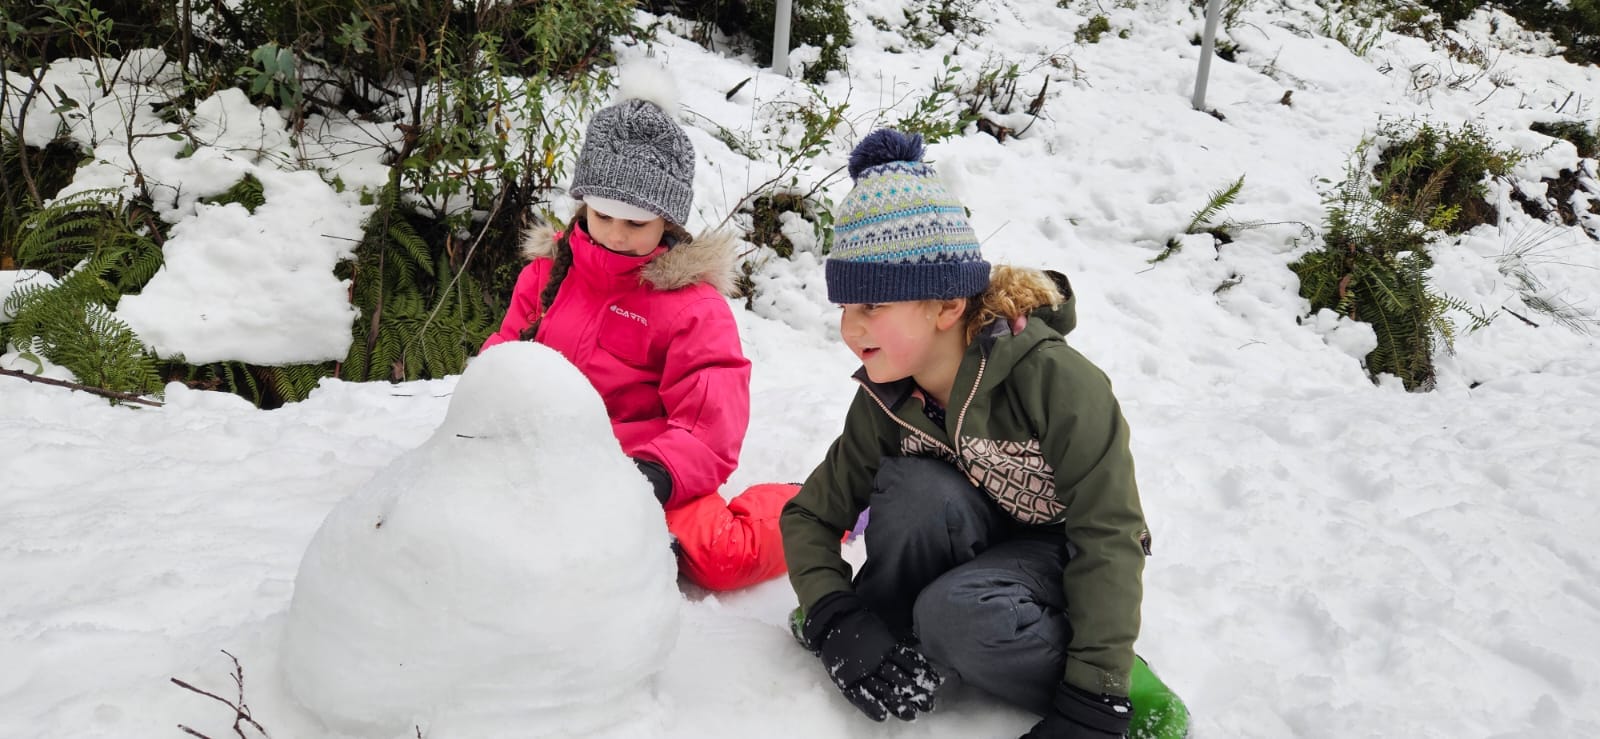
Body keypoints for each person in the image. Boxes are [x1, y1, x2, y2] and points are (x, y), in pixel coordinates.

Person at [781, 129, 1170, 738]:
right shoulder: (890, 394)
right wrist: (835, 616)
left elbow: (1109, 534)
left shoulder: (1053, 380)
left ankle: (1110, 678)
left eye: (872, 306)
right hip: (975, 538)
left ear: (946, 306)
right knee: (916, 490)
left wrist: (1093, 696)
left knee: (956, 614)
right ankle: (890, 628)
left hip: (1058, 556)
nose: (850, 329)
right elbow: (809, 515)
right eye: (845, 308)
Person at [481, 82, 794, 592]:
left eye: (636, 222)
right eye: (603, 215)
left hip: (643, 470)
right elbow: (505, 359)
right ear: (583, 205)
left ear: (666, 221)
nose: (616, 234)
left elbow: (709, 424)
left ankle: (811, 509)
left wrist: (652, 477)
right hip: (544, 453)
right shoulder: (545, 276)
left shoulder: (692, 309)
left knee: (717, 556)